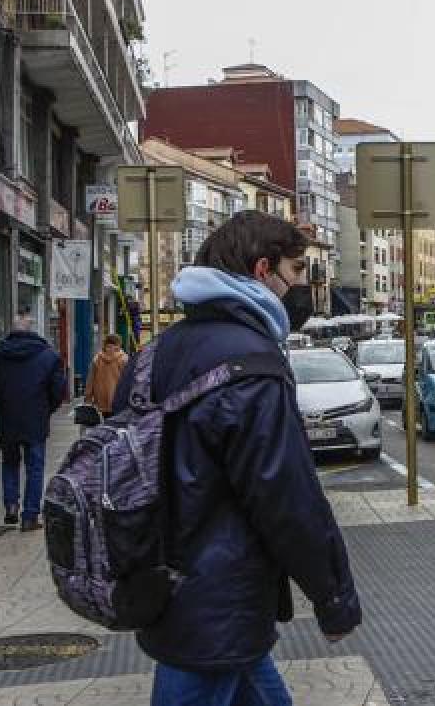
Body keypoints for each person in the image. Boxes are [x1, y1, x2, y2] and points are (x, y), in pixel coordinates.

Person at [109, 211, 361, 706]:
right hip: (220, 594)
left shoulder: (154, 353)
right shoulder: (254, 364)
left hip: (161, 575)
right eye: (293, 272)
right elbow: (287, 496)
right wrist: (333, 599)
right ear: (263, 269)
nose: (297, 287)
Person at [0, 311, 66, 531]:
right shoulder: (49, 356)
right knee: (35, 467)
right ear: (32, 331)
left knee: (10, 463)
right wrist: (47, 408)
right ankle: (30, 515)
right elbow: (59, 390)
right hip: (35, 418)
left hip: (6, 417)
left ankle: (11, 506)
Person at [84, 334, 128, 418]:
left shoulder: (97, 359)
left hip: (101, 399)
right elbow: (128, 380)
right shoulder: (124, 359)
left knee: (105, 422)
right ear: (119, 344)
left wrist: (88, 398)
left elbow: (90, 380)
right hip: (118, 398)